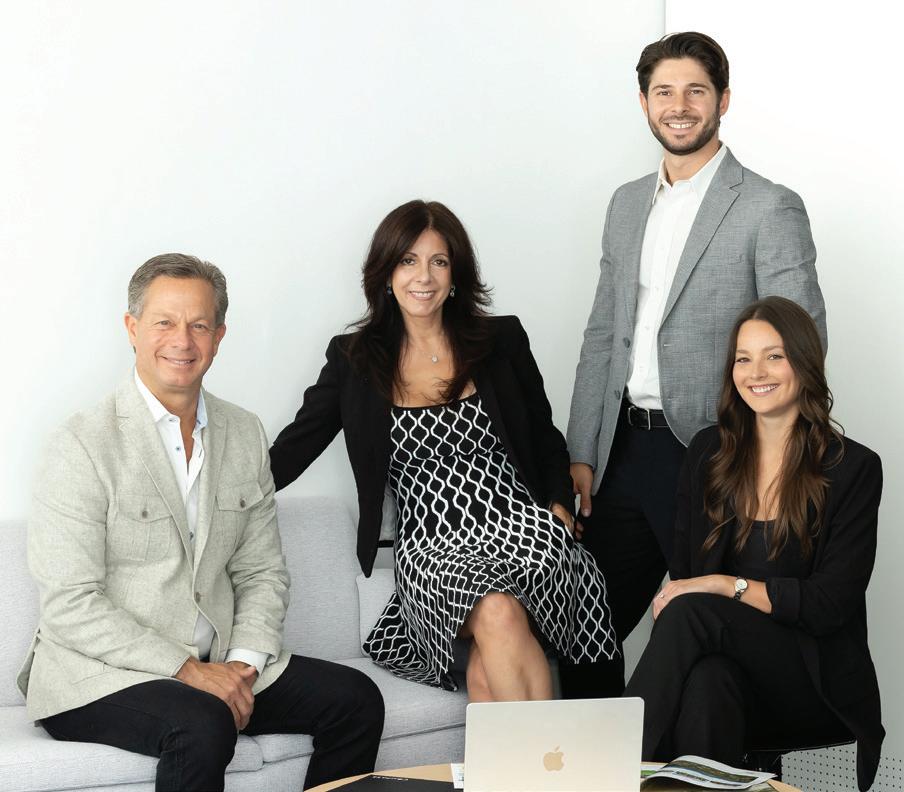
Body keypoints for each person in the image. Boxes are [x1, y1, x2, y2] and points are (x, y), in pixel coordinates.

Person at [17, 254, 384, 791]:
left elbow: (262, 572)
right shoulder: (81, 444)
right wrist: (188, 671)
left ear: (219, 336)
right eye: (164, 322)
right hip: (98, 674)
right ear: (132, 329)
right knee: (203, 721)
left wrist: (242, 665)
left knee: (355, 699)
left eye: (199, 325)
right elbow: (70, 604)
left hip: (217, 664)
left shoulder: (244, 432)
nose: (182, 341)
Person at [564, 31, 828, 698]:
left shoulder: (768, 205)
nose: (678, 106)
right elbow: (603, 334)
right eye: (664, 92)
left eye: (695, 91)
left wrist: (766, 457)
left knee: (711, 637)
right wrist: (583, 451)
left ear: (723, 100)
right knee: (582, 627)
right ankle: (597, 754)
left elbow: (803, 340)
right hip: (625, 451)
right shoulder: (626, 203)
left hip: (720, 454)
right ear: (644, 102)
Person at [269, 199, 617, 701]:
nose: (423, 277)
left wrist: (559, 503)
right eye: (408, 260)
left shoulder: (501, 340)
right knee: (497, 616)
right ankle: (550, 752)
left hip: (524, 531)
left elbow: (543, 434)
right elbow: (295, 447)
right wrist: (214, 492)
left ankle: (523, 755)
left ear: (456, 274)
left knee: (491, 645)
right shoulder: (354, 358)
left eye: (439, 261)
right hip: (433, 547)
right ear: (386, 272)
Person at [623, 296, 883, 792]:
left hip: (810, 678)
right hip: (732, 670)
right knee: (708, 684)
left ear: (804, 363)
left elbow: (828, 605)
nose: (756, 372)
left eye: (774, 356)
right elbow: (686, 575)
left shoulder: (853, 468)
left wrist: (728, 585)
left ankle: (609, 763)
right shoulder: (708, 453)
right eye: (743, 358)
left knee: (692, 611)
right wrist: (708, 590)